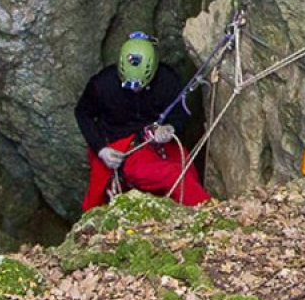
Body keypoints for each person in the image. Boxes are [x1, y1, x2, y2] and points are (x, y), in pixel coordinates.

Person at [76, 32, 213, 210]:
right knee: (172, 174)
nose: (135, 90)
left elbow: (181, 114)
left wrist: (169, 128)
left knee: (185, 171)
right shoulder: (103, 84)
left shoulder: (166, 80)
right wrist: (101, 149)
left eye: (140, 85)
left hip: (157, 141)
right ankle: (207, 209)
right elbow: (83, 113)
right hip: (121, 148)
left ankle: (197, 209)